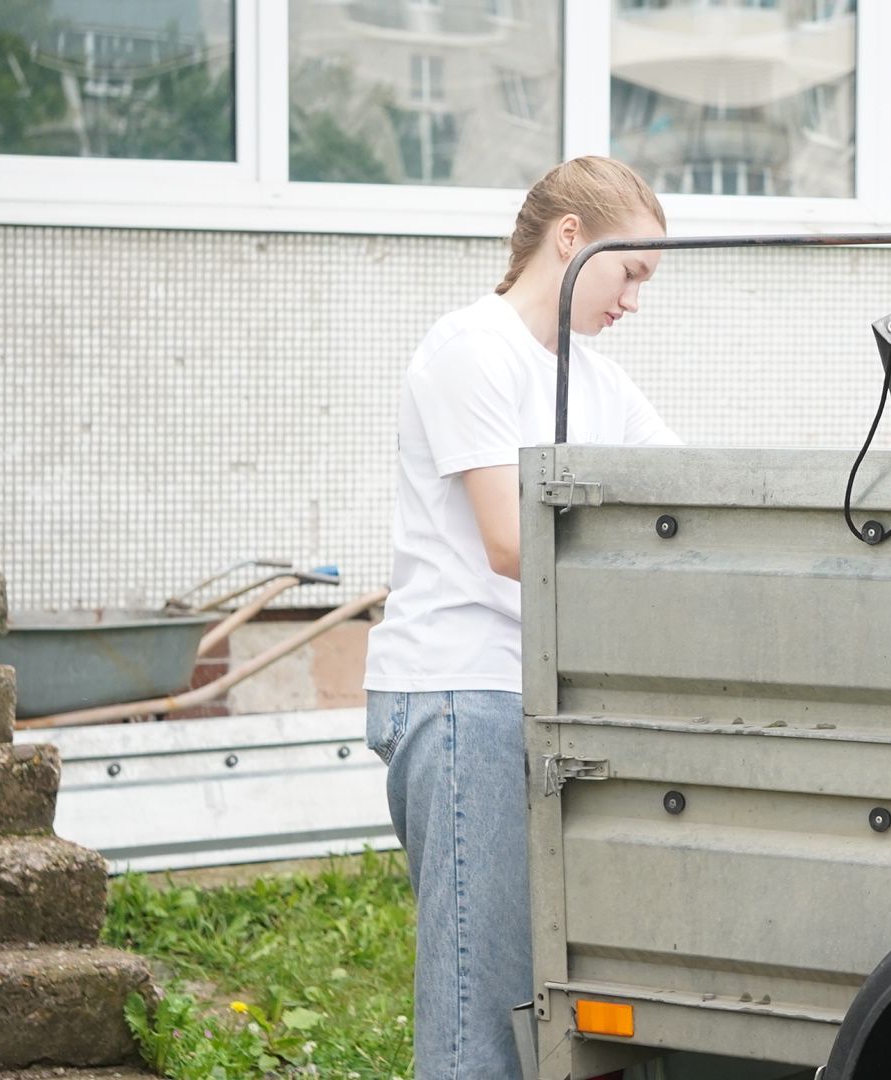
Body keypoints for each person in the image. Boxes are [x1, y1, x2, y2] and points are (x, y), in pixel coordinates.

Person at [362, 156, 678, 1079]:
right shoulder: (473, 347)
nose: (633, 302)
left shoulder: (596, 381)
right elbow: (509, 540)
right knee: (481, 998)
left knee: (537, 995)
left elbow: (682, 497)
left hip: (532, 691)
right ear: (570, 239)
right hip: (465, 692)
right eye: (632, 273)